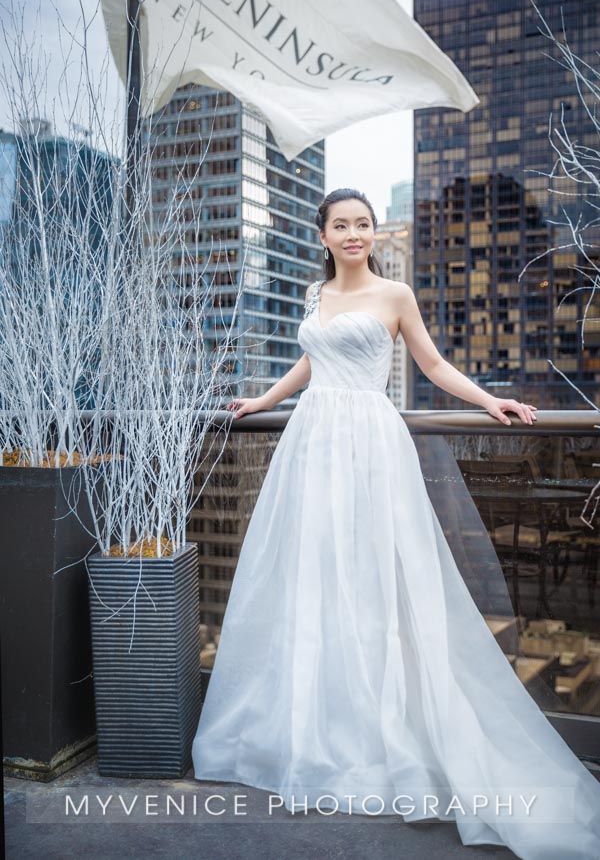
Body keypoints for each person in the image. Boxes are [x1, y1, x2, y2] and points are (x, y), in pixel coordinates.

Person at [192, 188, 600, 859]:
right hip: (311, 447)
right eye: (341, 226)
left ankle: (381, 732)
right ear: (322, 235)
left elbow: (433, 365)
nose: (354, 234)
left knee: (376, 579)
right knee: (315, 580)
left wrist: (491, 399)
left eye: (363, 225)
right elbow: (310, 362)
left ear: (372, 234)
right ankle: (317, 727)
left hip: (371, 445)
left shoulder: (396, 293)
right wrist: (263, 399)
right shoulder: (314, 297)